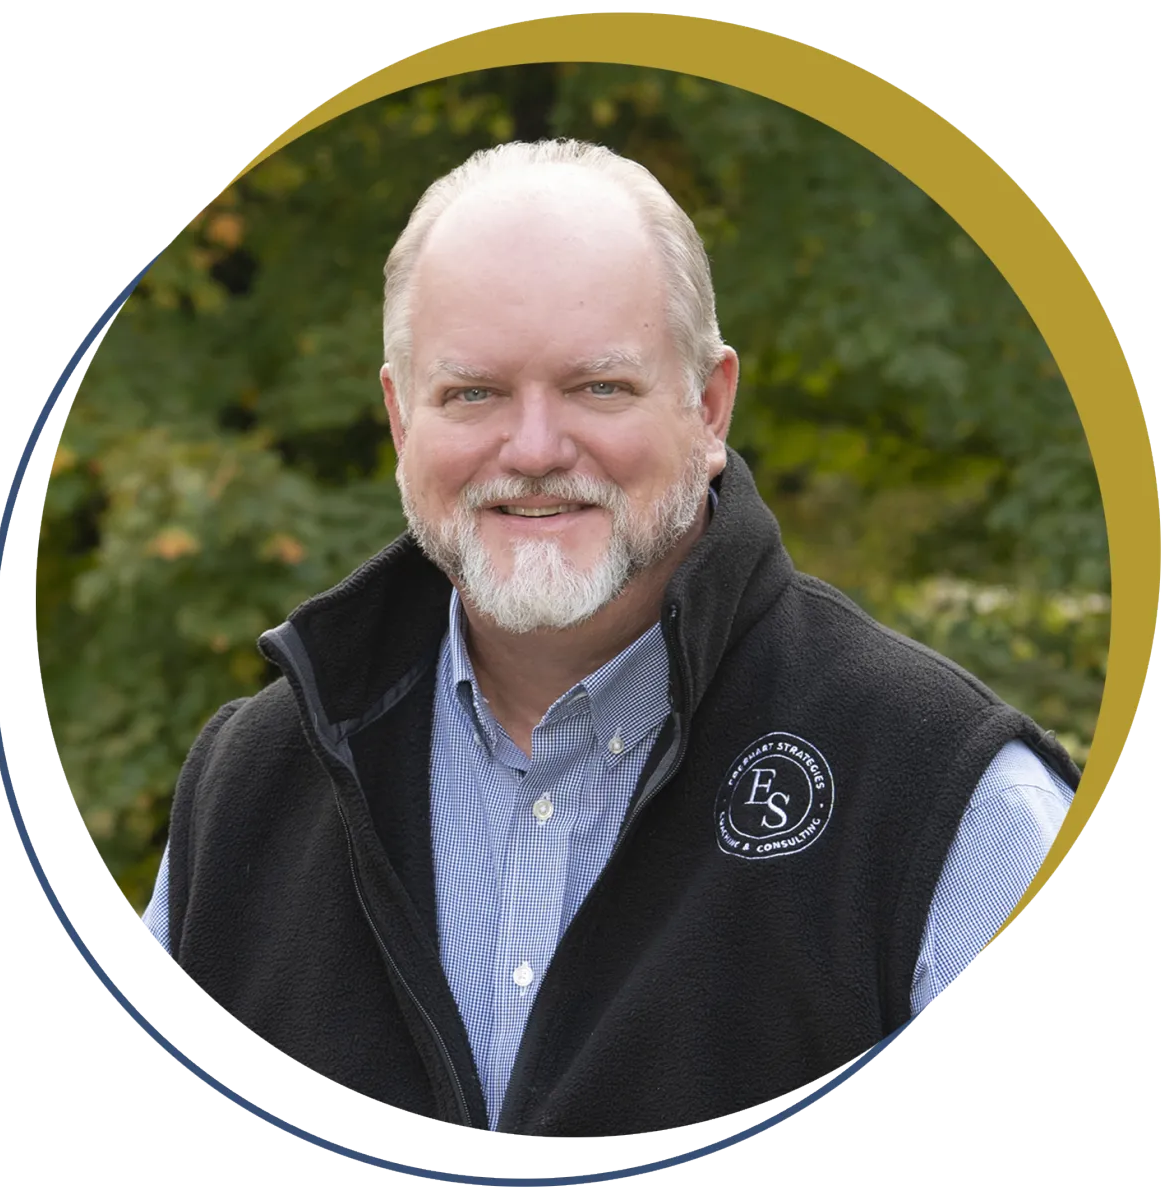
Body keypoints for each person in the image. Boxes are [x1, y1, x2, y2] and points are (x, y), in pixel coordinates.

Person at [144, 139, 1077, 1136]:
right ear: (399, 420)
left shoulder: (948, 799)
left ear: (709, 406)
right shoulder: (248, 789)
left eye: (599, 388)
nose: (536, 449)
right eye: (473, 393)